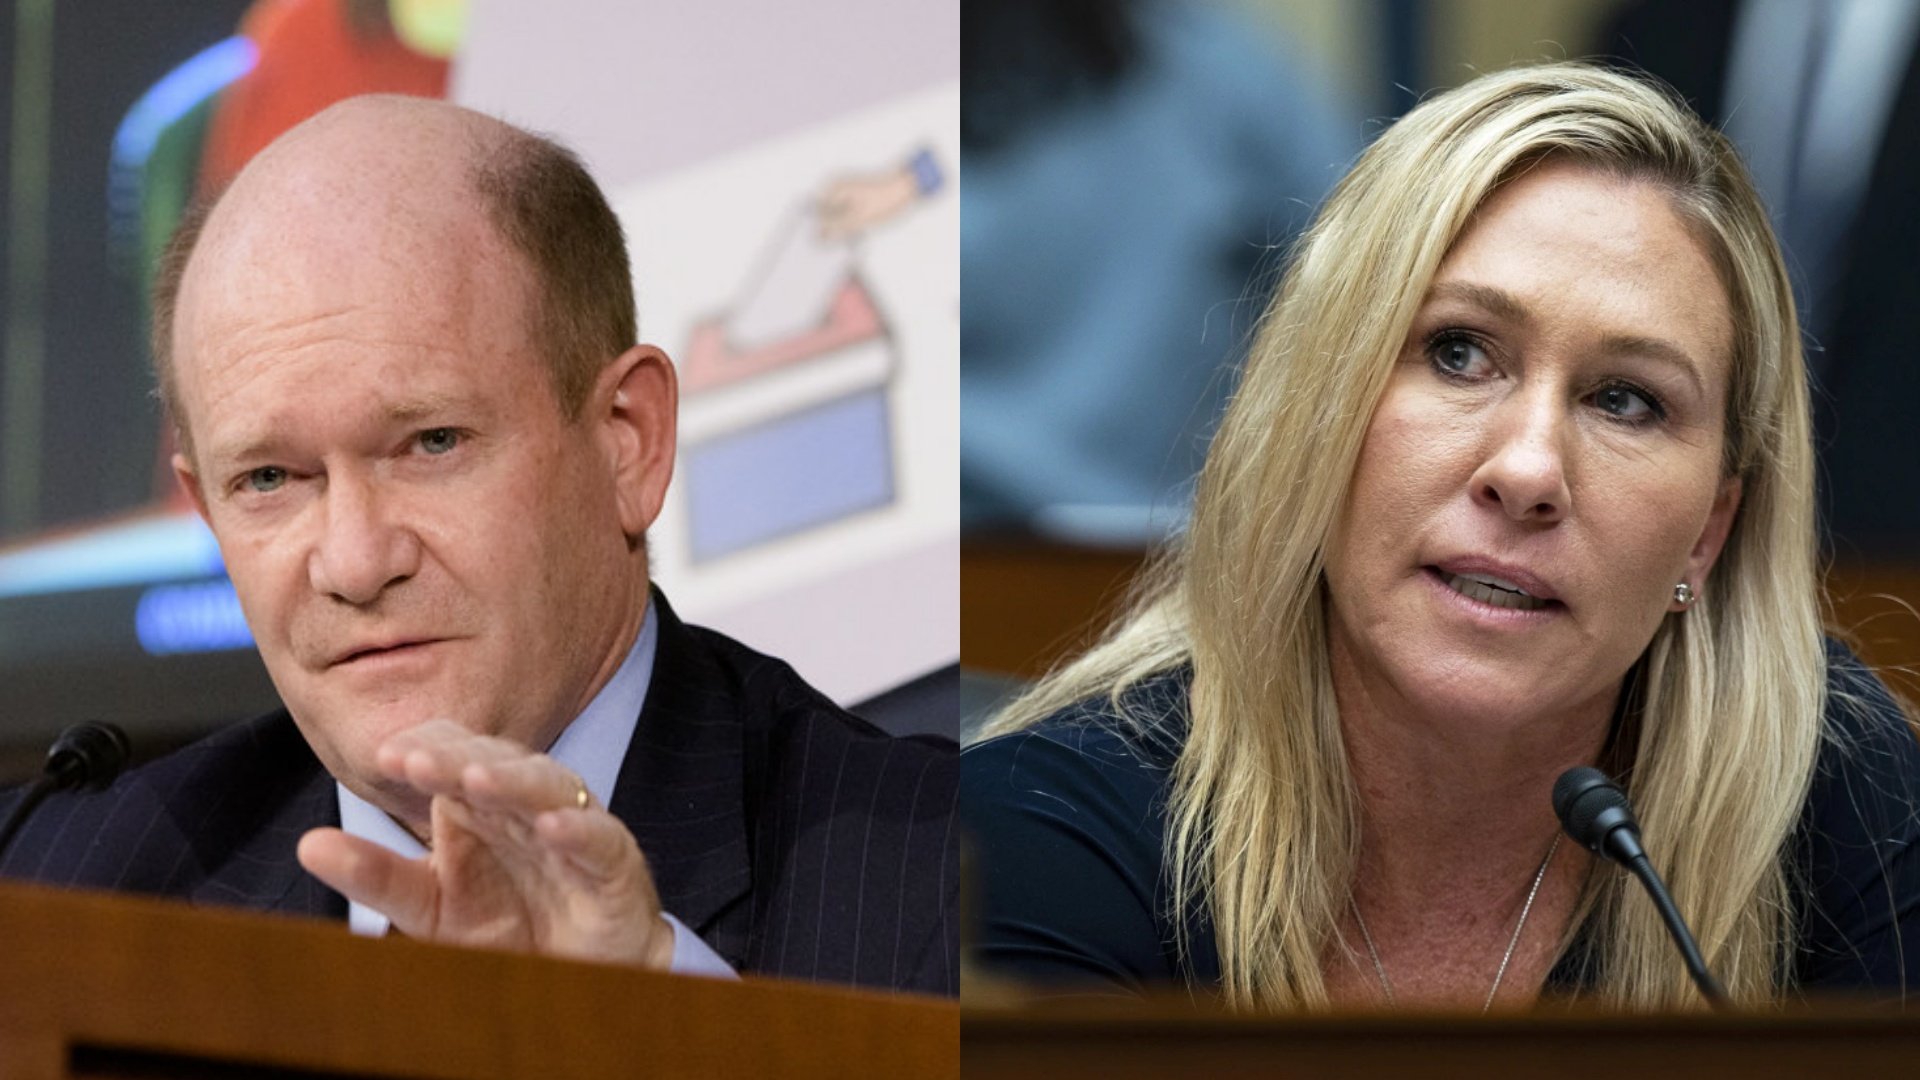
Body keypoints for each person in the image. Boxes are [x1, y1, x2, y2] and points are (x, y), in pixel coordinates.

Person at [962, 62, 1920, 1010]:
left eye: (1626, 400)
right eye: (1458, 352)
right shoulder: (1037, 833)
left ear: (1707, 536)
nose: (1529, 471)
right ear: (1316, 413)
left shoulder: (1837, 795)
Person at [0, 94, 957, 996]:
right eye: (270, 480)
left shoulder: (944, 888)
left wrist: (670, 1028)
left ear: (628, 442)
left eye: (432, 444)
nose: (356, 563)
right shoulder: (50, 888)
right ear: (208, 512)